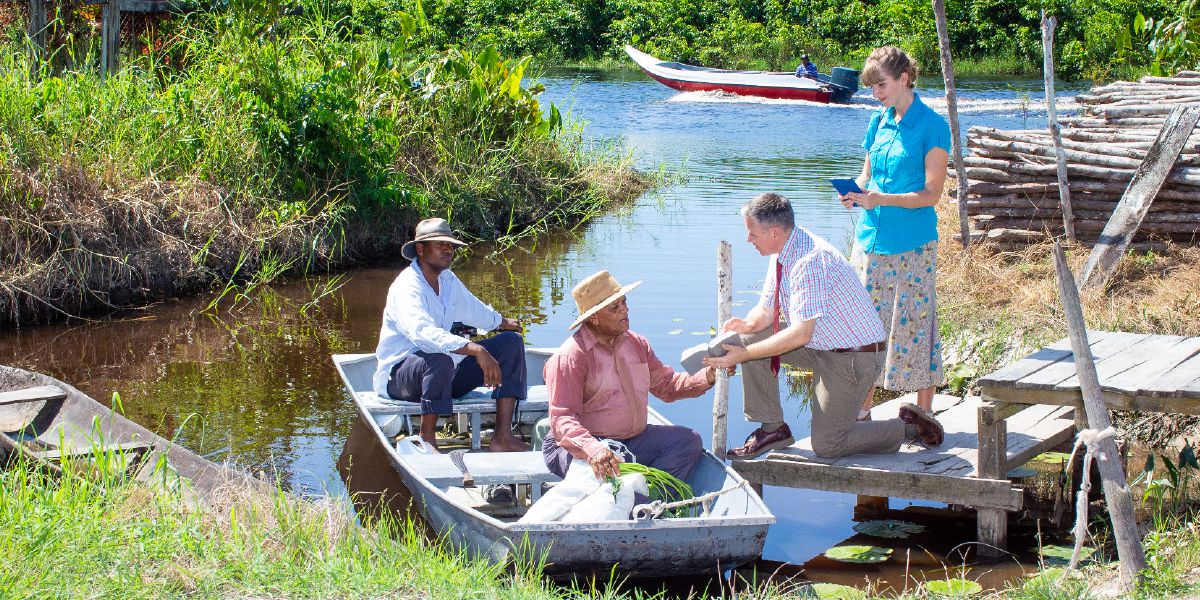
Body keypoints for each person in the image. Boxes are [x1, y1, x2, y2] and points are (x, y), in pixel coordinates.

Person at [703, 192, 944, 460]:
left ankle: (909, 427)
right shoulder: (783, 249)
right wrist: (747, 324)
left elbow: (801, 333)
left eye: (752, 234)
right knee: (747, 337)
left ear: (773, 232)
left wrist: (746, 355)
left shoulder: (810, 260)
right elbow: (766, 310)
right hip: (822, 345)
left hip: (853, 358)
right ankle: (773, 429)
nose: (748, 239)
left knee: (829, 444)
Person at [838, 46, 950, 422]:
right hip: (870, 241)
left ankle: (924, 412)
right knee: (867, 328)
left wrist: (878, 198)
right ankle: (860, 412)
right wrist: (853, 193)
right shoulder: (879, 122)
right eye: (871, 87)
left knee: (917, 321)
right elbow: (865, 176)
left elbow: (932, 194)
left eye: (880, 85)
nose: (876, 93)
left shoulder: (933, 126)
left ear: (904, 79)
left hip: (913, 244)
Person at [542, 270, 725, 481]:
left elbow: (667, 386)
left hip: (631, 441)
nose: (625, 310)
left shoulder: (637, 343)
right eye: (615, 307)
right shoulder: (571, 357)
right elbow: (562, 418)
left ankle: (649, 499)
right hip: (579, 445)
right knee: (603, 474)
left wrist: (709, 375)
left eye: (624, 302)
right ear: (594, 317)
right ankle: (637, 499)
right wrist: (594, 450)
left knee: (687, 441)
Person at [372, 217, 529, 453]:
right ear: (421, 249)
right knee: (440, 357)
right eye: (440, 244)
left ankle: (502, 436)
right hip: (400, 378)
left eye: (451, 245)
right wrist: (475, 349)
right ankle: (428, 440)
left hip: (443, 376)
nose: (449, 250)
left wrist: (502, 322)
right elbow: (421, 333)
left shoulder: (447, 279)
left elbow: (472, 308)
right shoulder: (407, 286)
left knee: (511, 343)